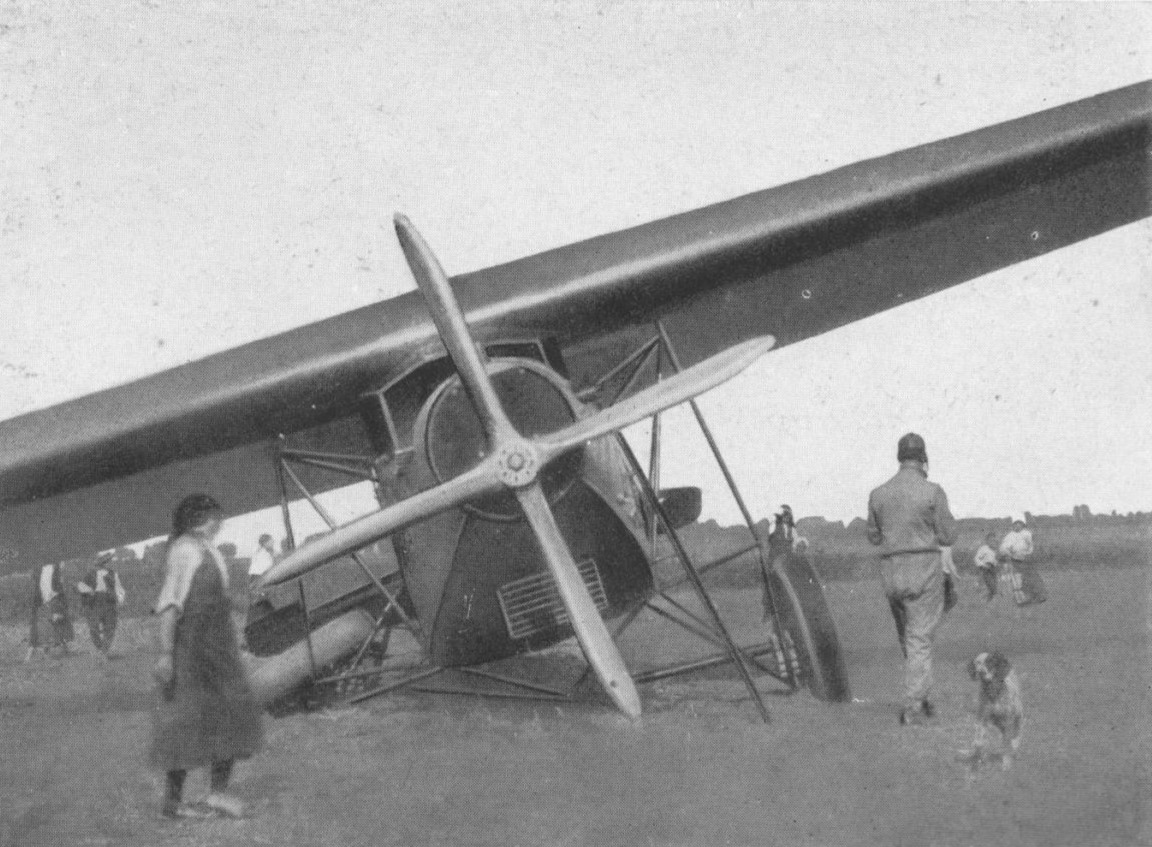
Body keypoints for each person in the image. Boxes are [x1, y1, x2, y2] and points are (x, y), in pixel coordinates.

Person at [150, 494, 263, 820]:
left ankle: (216, 793)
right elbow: (170, 607)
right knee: (185, 721)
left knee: (229, 715)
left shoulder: (207, 548)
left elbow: (220, 598)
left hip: (219, 649)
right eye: (216, 517)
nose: (221, 523)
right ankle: (172, 804)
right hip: (192, 650)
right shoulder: (184, 550)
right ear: (200, 519)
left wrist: (244, 609)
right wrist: (166, 655)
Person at [867, 432, 957, 725]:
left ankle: (923, 694)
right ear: (923, 458)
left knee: (910, 637)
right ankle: (914, 705)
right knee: (920, 638)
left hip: (892, 572)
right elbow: (947, 534)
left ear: (899, 457)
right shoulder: (932, 491)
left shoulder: (878, 493)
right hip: (924, 570)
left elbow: (873, 536)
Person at [77, 552, 127, 655]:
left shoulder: (113, 574)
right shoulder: (90, 574)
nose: (107, 564)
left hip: (109, 601)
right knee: (93, 627)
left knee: (110, 627)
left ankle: (104, 650)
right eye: (105, 562)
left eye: (107, 561)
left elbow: (119, 588)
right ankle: (100, 648)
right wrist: (89, 590)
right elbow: (80, 586)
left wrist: (121, 599)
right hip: (94, 602)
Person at [998, 513, 1047, 606]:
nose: (1017, 526)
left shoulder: (1026, 534)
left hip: (1026, 559)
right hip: (1014, 560)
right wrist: (1007, 552)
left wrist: (1029, 553)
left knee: (1032, 577)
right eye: (1015, 524)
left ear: (1023, 525)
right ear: (1013, 525)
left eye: (1019, 524)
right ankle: (1022, 598)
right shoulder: (1010, 535)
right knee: (1018, 579)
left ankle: (1039, 595)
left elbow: (1031, 546)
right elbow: (1003, 547)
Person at [29, 561, 74, 658]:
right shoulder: (38, 568)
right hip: (41, 600)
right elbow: (37, 585)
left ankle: (62, 649)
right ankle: (33, 652)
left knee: (57, 623)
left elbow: (60, 586)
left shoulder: (57, 567)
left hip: (55, 599)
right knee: (39, 625)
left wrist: (57, 597)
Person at [973, 531, 1000, 600]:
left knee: (994, 585)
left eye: (994, 539)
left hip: (993, 569)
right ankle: (983, 598)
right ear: (987, 540)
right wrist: (983, 565)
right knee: (991, 585)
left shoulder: (995, 549)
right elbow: (976, 558)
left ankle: (988, 601)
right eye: (990, 540)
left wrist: (996, 563)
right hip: (985, 569)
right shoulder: (983, 548)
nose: (992, 541)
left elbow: (996, 560)